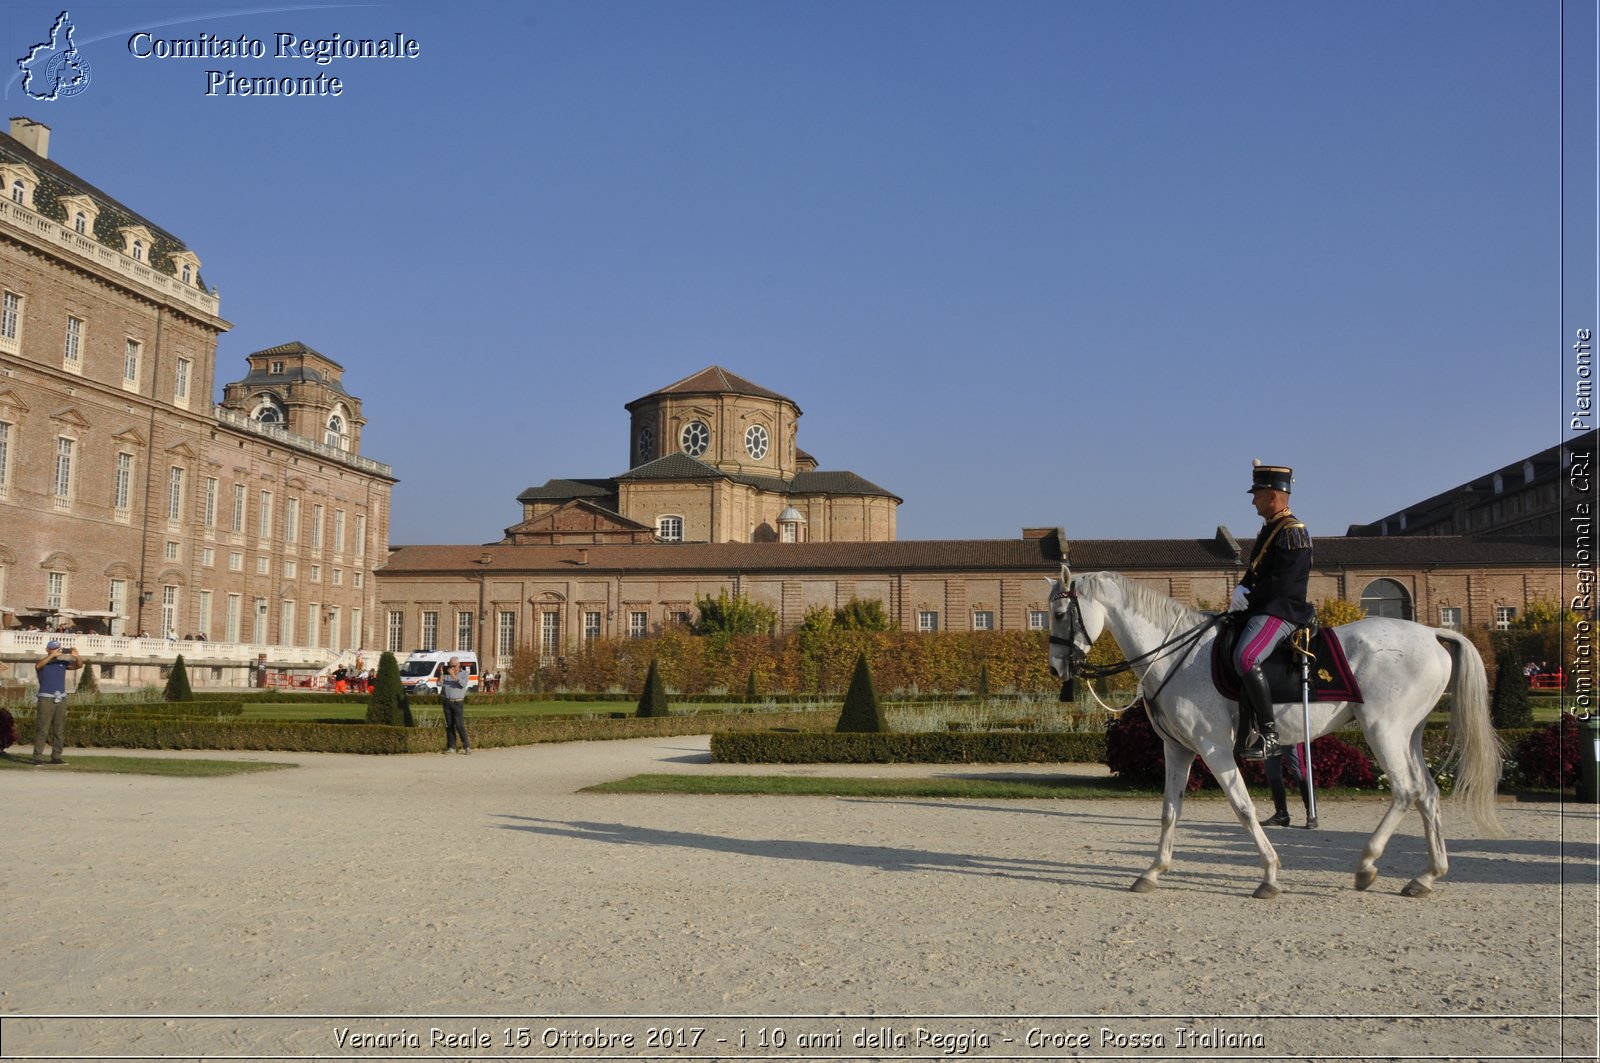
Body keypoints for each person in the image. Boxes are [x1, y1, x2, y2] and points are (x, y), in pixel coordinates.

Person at [1229, 461, 1315, 761]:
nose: (1253, 501)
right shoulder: (1272, 529)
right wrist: (1240, 589)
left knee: (1246, 656)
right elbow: (1257, 572)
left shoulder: (1293, 532)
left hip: (1283, 611)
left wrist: (1249, 599)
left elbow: (1283, 584)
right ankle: (1243, 728)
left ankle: (1269, 734)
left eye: (1257, 494)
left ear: (1273, 496)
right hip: (1263, 607)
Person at [33, 639, 84, 765]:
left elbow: (79, 666)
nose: (56, 650)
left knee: (59, 729)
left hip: (61, 698)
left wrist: (77, 657)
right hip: (46, 698)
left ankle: (56, 756)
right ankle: (37, 757)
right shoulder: (44, 663)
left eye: (57, 648)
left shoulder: (62, 663)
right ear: (48, 649)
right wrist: (51, 656)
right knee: (42, 729)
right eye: (53, 648)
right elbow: (38, 666)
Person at [1261, 744, 1317, 829]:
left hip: (1290, 737)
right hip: (1271, 736)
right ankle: (1281, 814)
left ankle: (1312, 814)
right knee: (1272, 773)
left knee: (1299, 773)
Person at [440, 656, 472, 755]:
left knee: (459, 725)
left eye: (453, 665)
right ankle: (451, 747)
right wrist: (441, 673)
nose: (452, 667)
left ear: (458, 665)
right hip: (447, 702)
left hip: (458, 702)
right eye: (450, 665)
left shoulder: (464, 674)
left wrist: (453, 675)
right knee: (449, 725)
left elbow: (462, 684)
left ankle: (466, 746)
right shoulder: (447, 674)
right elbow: (440, 683)